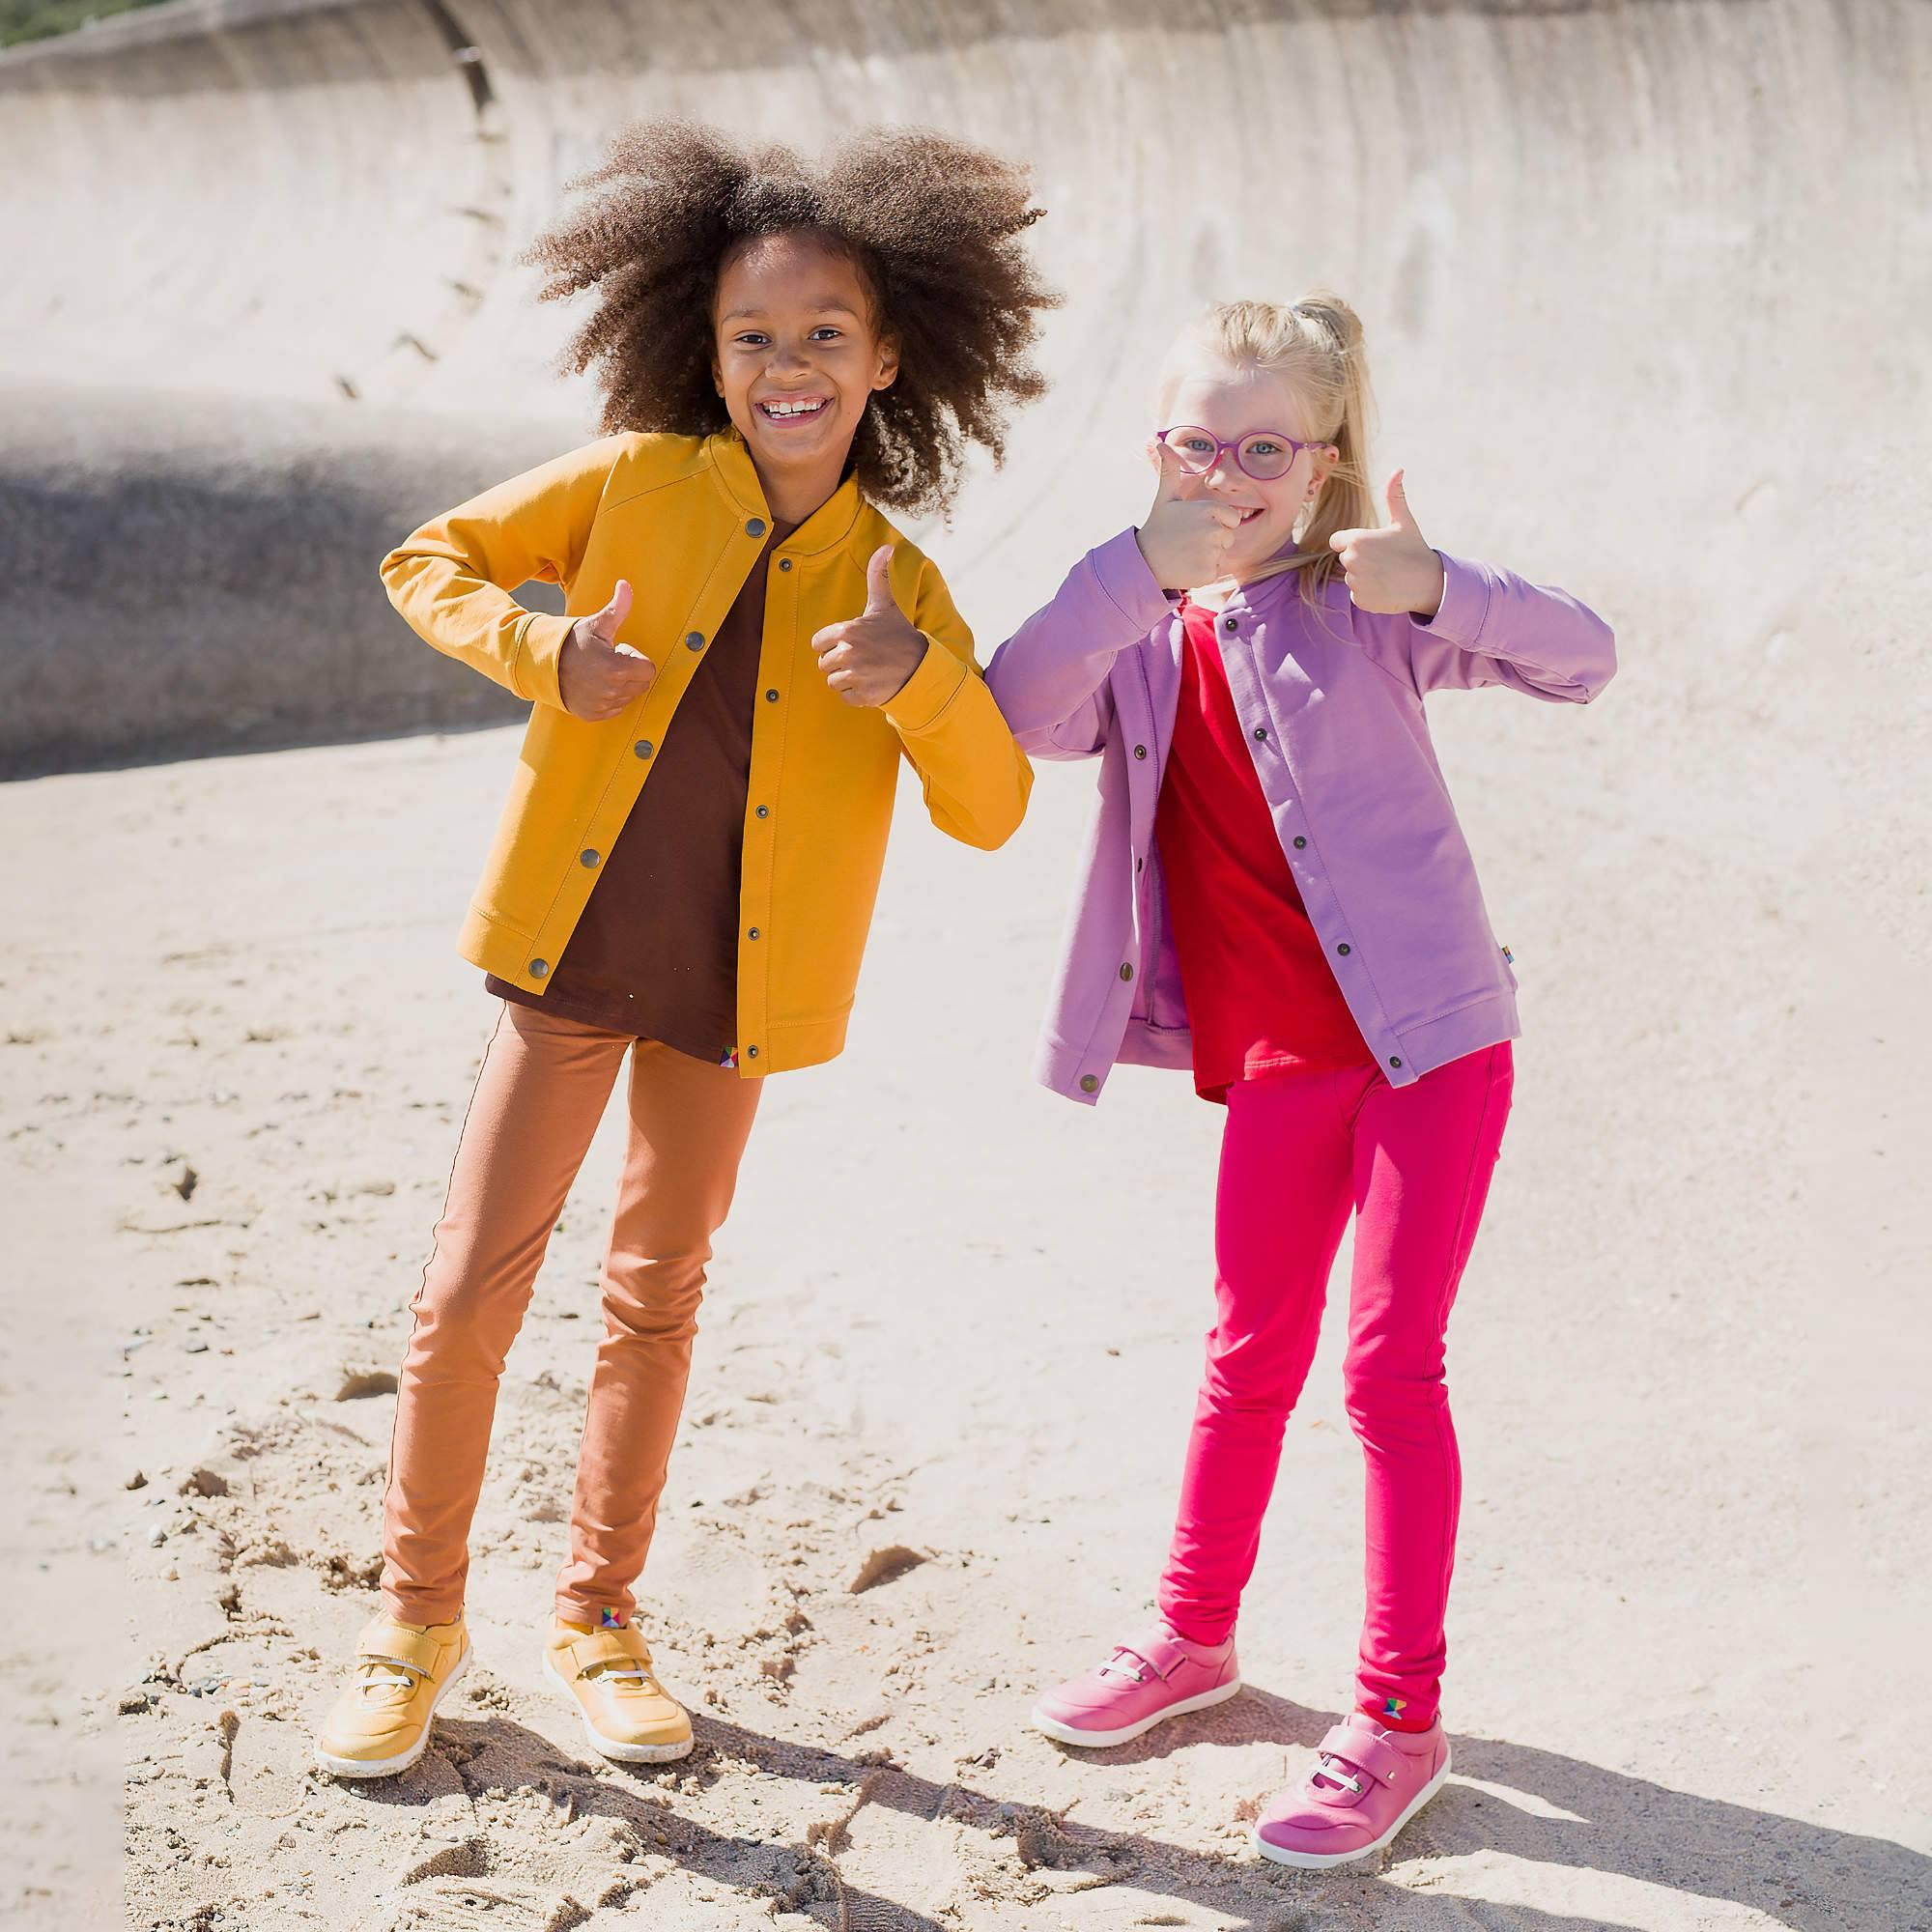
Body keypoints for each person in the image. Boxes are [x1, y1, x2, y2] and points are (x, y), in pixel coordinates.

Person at [312, 120, 1050, 1779]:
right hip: (571, 960)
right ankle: (413, 1620)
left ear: (891, 356)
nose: (788, 366)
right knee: (464, 1296)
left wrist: (918, 683)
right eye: (752, 338)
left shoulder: (900, 583)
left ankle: (598, 1617)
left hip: (733, 1004)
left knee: (657, 1298)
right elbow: (422, 559)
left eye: (824, 337)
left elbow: (995, 806)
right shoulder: (638, 481)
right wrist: (544, 650)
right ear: (700, 351)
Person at [983, 295, 1615, 1867]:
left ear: (1323, 463)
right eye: (1202, 443)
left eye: (1267, 447)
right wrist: (1132, 569)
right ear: (1158, 453)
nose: (1232, 472)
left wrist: (1444, 581)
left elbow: (1583, 660)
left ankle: (1400, 1716)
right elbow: (1015, 704)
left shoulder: (1366, 605)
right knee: (1244, 1350)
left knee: (1389, 1369)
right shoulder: (1137, 631)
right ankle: (1194, 1641)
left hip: (1432, 1043)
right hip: (1275, 1065)